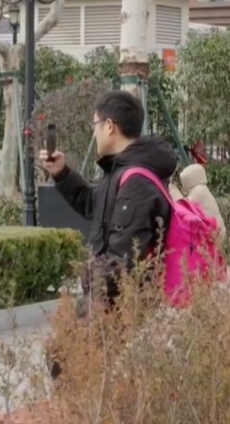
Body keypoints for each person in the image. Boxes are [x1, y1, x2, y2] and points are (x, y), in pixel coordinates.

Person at [40, 91, 177, 380]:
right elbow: (94, 204)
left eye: (95, 125)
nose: (95, 133)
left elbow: (123, 260)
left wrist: (85, 275)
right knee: (63, 358)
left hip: (121, 309)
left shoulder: (136, 181)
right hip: (107, 304)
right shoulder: (121, 172)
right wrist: (62, 173)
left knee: (69, 364)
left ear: (110, 126)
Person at [169, 163, 226, 243]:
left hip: (213, 233)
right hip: (216, 229)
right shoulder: (202, 189)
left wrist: (174, 191)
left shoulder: (198, 191)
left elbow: (184, 207)